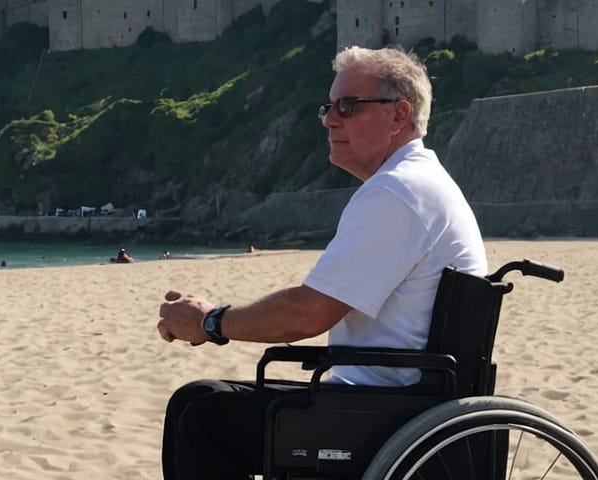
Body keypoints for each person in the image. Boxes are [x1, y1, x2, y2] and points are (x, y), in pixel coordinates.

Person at [155, 46, 487, 480]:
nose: (331, 119)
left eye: (348, 107)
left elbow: (307, 314)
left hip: (385, 412)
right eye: (329, 107)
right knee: (195, 401)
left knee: (204, 418)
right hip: (400, 398)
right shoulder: (417, 184)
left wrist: (211, 323)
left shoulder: (397, 194)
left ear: (399, 115)